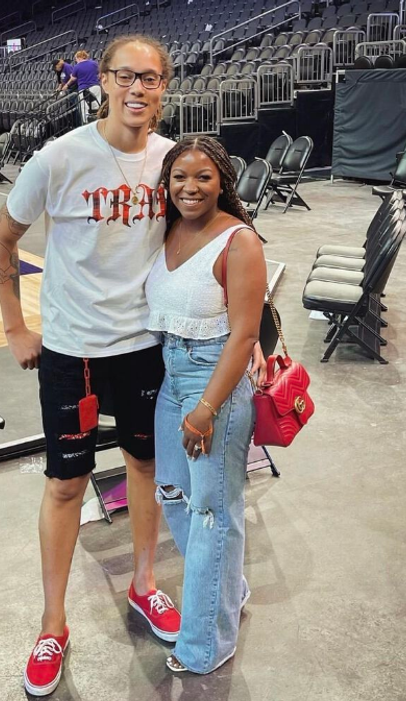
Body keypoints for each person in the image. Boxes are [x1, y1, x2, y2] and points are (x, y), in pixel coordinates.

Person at [0, 34, 180, 697]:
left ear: (163, 88)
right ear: (101, 80)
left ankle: (145, 584)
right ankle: (51, 623)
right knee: (66, 485)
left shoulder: (170, 161)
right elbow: (2, 233)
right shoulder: (58, 158)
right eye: (125, 75)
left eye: (150, 78)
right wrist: (14, 324)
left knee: (146, 468)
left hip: (145, 347)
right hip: (72, 353)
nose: (137, 88)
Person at [147, 136, 264, 675]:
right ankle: (228, 587)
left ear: (223, 182)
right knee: (173, 494)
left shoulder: (239, 242)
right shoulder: (167, 230)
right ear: (166, 184)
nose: (190, 188)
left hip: (212, 382)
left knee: (212, 513)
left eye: (203, 178)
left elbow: (244, 335)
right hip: (172, 377)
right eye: (179, 178)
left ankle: (205, 645)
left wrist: (207, 408)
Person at [71, 50, 104, 124]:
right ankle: (97, 122)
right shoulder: (94, 63)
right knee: (96, 105)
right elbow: (100, 73)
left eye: (76, 59)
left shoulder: (77, 66)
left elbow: (73, 78)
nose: (76, 60)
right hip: (95, 87)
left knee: (84, 107)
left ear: (79, 57)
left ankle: (86, 123)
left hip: (83, 89)